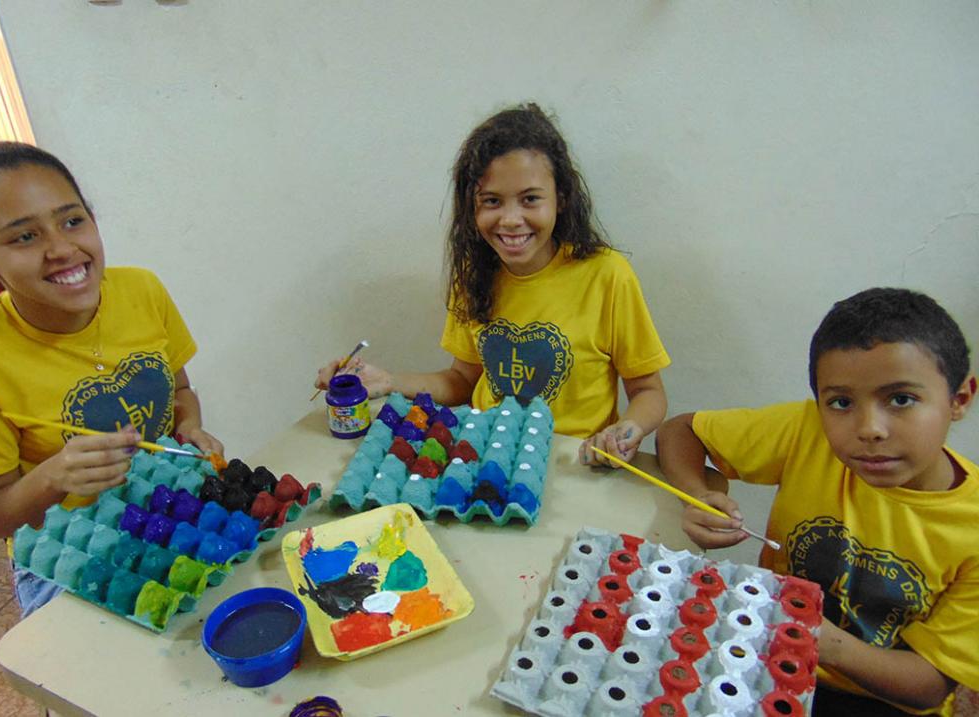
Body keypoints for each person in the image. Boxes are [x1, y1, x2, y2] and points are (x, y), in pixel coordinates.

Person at [656, 288, 977, 716]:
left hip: (877, 698)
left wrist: (813, 635)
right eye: (841, 403)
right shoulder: (807, 432)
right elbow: (680, 432)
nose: (870, 428)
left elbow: (929, 687)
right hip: (766, 660)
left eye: (901, 399)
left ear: (959, 399)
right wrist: (698, 496)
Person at [316, 103, 670, 467]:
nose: (511, 219)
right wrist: (388, 382)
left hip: (574, 464)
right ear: (472, 206)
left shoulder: (607, 275)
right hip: (487, 455)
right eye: (491, 201)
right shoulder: (475, 275)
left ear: (561, 198)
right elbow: (461, 381)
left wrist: (625, 430)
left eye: (530, 199)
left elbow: (648, 391)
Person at [0, 142, 223, 615]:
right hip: (70, 552)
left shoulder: (142, 289)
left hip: (171, 508)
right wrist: (52, 476)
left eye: (72, 221)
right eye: (24, 237)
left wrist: (190, 427)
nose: (62, 249)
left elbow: (180, 389)